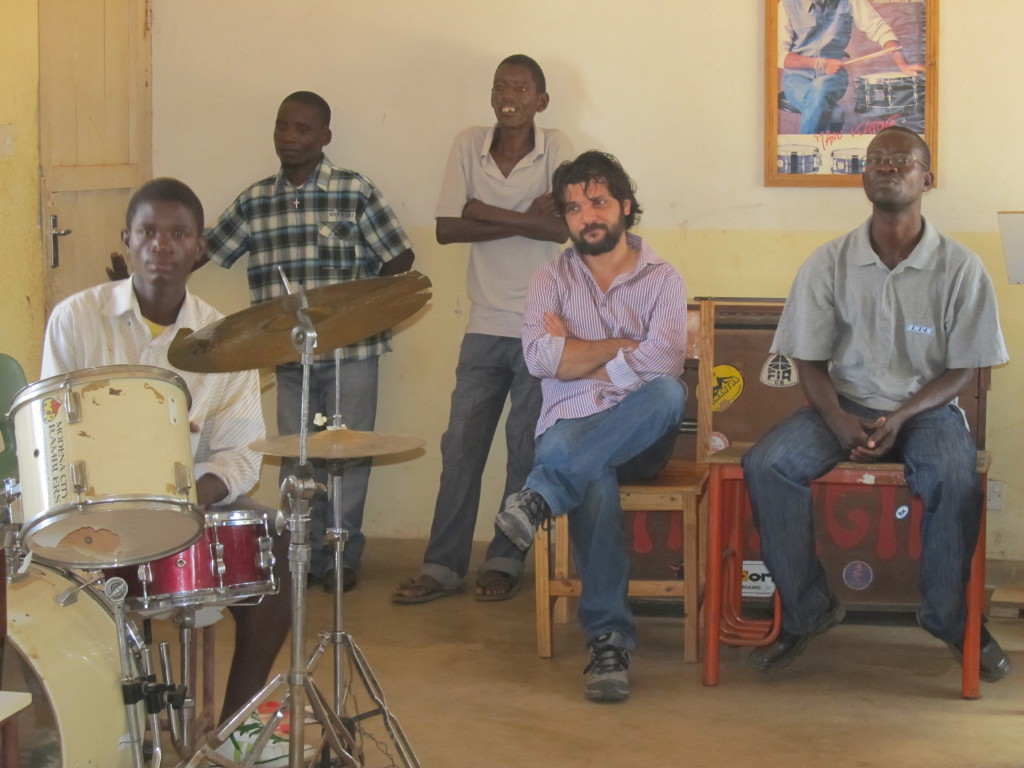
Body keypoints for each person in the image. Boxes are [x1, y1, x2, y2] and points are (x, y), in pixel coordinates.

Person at [41, 178, 300, 764]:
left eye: (178, 234)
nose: (162, 245)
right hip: (95, 512)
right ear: (127, 240)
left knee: (278, 550)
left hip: (188, 508)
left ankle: (236, 732)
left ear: (199, 248)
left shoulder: (225, 338)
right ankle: (114, 728)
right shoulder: (76, 320)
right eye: (149, 232)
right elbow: (54, 435)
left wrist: (188, 497)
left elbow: (241, 454)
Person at [741, 126, 1012, 683]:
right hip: (842, 402)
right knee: (767, 464)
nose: (888, 167)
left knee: (954, 477)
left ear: (927, 178)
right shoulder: (829, 262)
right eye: (877, 160)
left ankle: (950, 619)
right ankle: (808, 612)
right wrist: (838, 418)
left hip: (926, 408)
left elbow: (964, 368)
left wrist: (904, 415)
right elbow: (808, 360)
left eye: (903, 160)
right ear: (863, 176)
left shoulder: (961, 268)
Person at [203, 91, 416, 594]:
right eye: (282, 126)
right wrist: (147, 272)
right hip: (287, 356)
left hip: (352, 355)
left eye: (302, 128)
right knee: (297, 458)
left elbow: (400, 258)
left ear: (325, 137)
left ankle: (341, 555)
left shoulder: (354, 190)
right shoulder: (256, 200)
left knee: (347, 456)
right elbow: (208, 249)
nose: (290, 137)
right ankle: (302, 554)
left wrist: (361, 311)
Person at [494, 151, 688, 702]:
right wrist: (625, 349)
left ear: (625, 206)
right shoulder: (548, 278)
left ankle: (538, 497)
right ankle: (609, 642)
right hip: (571, 426)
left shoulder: (663, 279)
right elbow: (537, 358)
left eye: (598, 201)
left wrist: (582, 355)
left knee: (668, 393)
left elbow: (666, 363)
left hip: (642, 432)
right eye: (574, 207)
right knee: (591, 478)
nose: (587, 216)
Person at [392, 54, 574, 605]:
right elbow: (448, 229)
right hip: (484, 323)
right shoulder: (468, 143)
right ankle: (443, 565)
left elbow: (563, 229)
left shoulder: (559, 145)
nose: (508, 94)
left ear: (541, 101)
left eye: (521, 87)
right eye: (500, 85)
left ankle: (504, 560)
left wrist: (484, 210)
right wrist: (526, 216)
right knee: (462, 448)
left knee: (525, 449)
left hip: (543, 327)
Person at [778, 0, 925, 133]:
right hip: (797, 78)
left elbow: (880, 29)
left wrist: (903, 64)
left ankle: (808, 152)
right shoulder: (786, 5)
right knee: (831, 111)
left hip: (832, 77)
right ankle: (819, 139)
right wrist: (820, 64)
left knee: (820, 88)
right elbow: (779, 56)